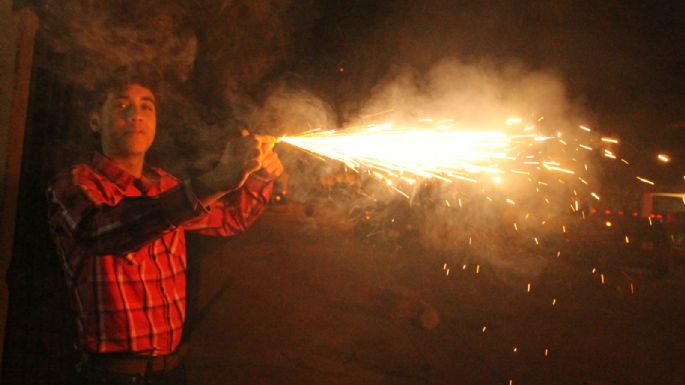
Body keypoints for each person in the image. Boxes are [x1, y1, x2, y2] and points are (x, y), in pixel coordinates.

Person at [46, 67, 284, 385]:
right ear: (94, 120)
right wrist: (214, 181)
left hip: (171, 372)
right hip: (109, 376)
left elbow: (229, 219)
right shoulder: (74, 184)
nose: (136, 115)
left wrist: (258, 175)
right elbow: (107, 232)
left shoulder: (165, 185)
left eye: (147, 106)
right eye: (121, 105)